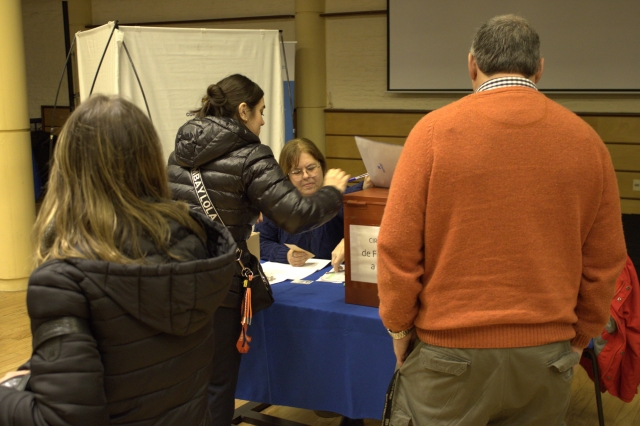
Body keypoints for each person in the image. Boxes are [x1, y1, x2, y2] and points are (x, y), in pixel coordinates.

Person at [377, 14, 627, 426]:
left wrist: (400, 330)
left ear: (472, 64)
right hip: (546, 356)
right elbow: (606, 261)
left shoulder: (431, 133)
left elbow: (396, 247)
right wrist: (582, 334)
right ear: (539, 68)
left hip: (447, 355)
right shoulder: (588, 143)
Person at [0, 95, 238, 425]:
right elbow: (132, 357)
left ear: (69, 170)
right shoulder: (194, 244)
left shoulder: (63, 281)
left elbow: (64, 420)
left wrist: (7, 395)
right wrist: (42, 370)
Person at [167, 74, 350, 425]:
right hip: (220, 283)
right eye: (261, 111)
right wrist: (331, 191)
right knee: (219, 384)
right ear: (243, 111)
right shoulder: (250, 155)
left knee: (188, 381)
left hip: (177, 279)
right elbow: (296, 216)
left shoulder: (180, 153)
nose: (263, 121)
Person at [256, 137, 372, 272]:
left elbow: (365, 232)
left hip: (333, 273)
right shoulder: (276, 203)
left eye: (311, 168)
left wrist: (349, 241)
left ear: (321, 167)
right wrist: (285, 254)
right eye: (297, 172)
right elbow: (260, 242)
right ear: (286, 176)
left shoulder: (339, 195)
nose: (306, 176)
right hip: (294, 274)